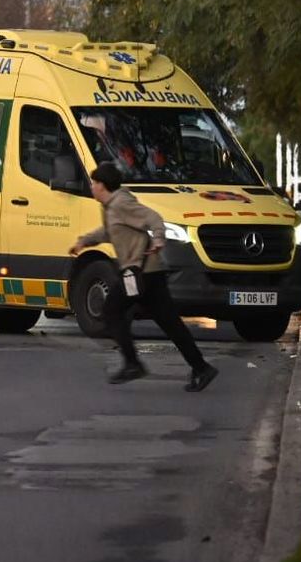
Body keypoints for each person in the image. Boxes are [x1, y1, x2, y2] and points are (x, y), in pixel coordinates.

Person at [70, 162, 219, 391]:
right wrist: (85, 241)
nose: (92, 188)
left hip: (141, 271)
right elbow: (110, 231)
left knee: (111, 310)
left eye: (94, 183)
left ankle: (132, 363)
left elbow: (154, 218)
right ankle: (201, 367)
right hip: (147, 273)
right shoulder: (110, 207)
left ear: (103, 185)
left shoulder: (122, 203)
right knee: (170, 323)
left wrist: (159, 239)